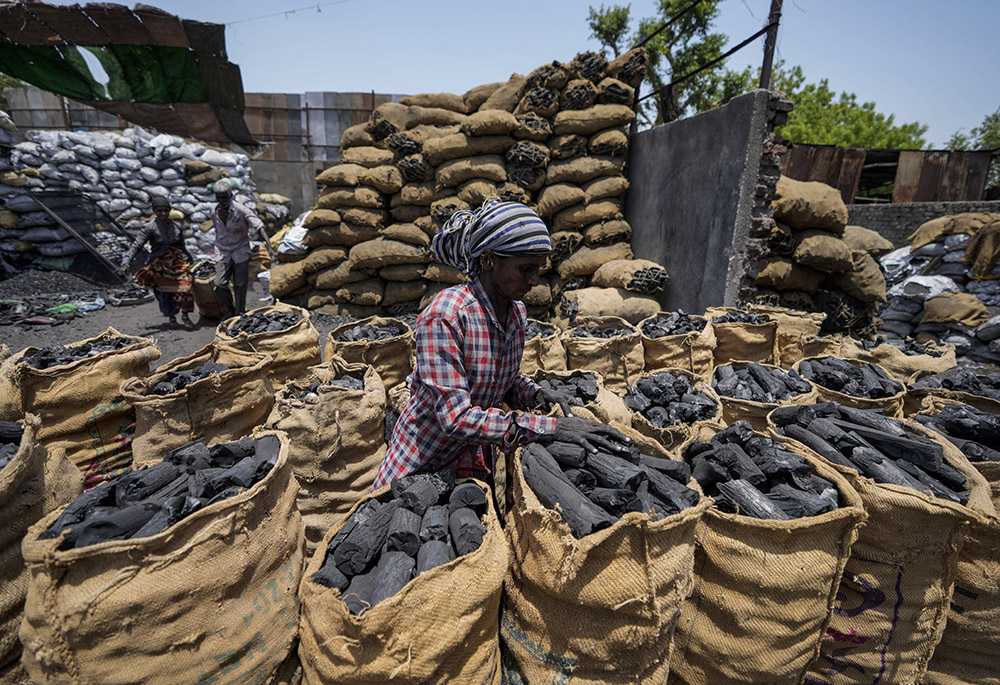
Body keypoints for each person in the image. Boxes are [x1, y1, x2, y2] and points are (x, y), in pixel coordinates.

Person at [372, 198, 630, 490]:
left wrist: (537, 393)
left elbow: (498, 378)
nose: (534, 281)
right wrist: (552, 428)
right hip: (422, 466)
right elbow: (456, 419)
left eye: (539, 269)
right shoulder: (446, 316)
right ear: (489, 260)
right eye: (525, 269)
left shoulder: (516, 311)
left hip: (470, 457)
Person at [118, 196, 196, 330]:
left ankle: (185, 315)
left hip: (177, 263)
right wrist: (126, 262)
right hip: (159, 264)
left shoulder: (176, 227)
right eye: (159, 211)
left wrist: (190, 260)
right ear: (154, 210)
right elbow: (137, 246)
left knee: (186, 288)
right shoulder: (149, 228)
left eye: (166, 211)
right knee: (164, 293)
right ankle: (172, 318)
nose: (163, 214)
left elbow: (182, 246)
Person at [211, 179, 268, 316]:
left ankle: (239, 312)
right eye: (219, 198)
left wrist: (269, 247)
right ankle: (230, 308)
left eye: (224, 197)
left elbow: (258, 225)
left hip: (240, 249)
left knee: (240, 284)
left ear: (231, 196)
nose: (222, 201)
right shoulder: (213, 210)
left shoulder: (240, 210)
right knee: (219, 284)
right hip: (222, 250)